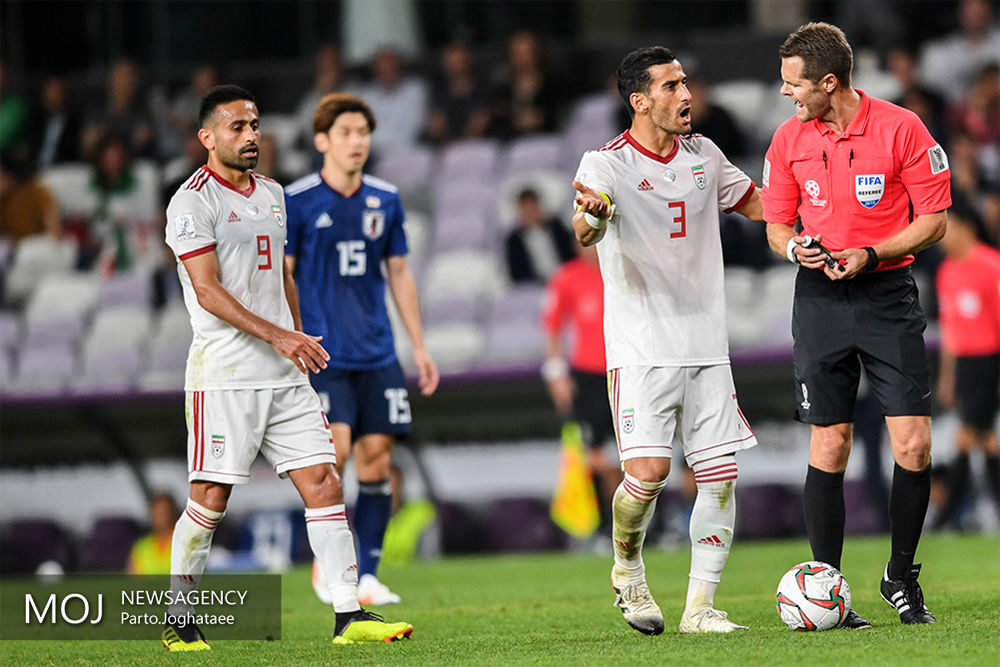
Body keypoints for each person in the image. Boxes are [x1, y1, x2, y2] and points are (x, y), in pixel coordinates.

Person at [161, 84, 413, 650]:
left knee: (324, 481)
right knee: (210, 497)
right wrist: (280, 335)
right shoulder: (191, 202)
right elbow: (207, 291)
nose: (251, 135)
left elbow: (285, 277)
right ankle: (179, 620)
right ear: (207, 138)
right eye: (237, 127)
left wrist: (300, 340)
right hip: (225, 374)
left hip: (283, 373)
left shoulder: (275, 194)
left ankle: (349, 614)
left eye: (255, 124)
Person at [761, 22, 951, 627]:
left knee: (914, 443)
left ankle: (899, 573)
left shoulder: (901, 128)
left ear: (829, 82)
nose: (785, 92)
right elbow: (776, 226)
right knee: (830, 441)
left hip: (886, 295)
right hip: (818, 299)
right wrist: (797, 251)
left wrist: (873, 253)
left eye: (794, 83)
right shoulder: (787, 141)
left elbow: (935, 220)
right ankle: (827, 588)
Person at [572, 46, 763, 635]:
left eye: (687, 83)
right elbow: (583, 225)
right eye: (672, 86)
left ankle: (700, 609)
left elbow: (756, 204)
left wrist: (811, 218)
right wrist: (597, 215)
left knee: (720, 476)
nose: (687, 95)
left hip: (707, 344)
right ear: (640, 100)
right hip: (642, 347)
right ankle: (627, 567)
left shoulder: (704, 153)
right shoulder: (606, 163)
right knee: (649, 473)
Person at [284, 92, 439, 607]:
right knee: (337, 453)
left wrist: (418, 346)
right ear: (322, 140)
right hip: (325, 354)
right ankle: (328, 567)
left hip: (377, 351)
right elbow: (283, 273)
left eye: (364, 132)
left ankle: (366, 574)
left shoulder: (385, 199)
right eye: (347, 132)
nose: (358, 142)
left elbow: (398, 271)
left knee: (377, 458)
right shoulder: (298, 200)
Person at [540, 242, 621, 535]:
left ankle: (633, 529)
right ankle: (603, 529)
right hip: (588, 379)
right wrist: (556, 373)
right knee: (594, 457)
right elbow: (552, 326)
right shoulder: (566, 278)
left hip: (623, 372)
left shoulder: (621, 269)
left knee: (628, 457)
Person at [933, 199, 1000, 530]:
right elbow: (950, 332)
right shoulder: (947, 272)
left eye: (949, 227)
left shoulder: (992, 266)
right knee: (985, 438)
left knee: (966, 437)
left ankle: (946, 517)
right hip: (966, 366)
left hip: (990, 361)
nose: (943, 235)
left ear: (967, 228)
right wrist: (948, 377)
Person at [504, 187, 576, 284]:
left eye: (532, 208)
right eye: (526, 209)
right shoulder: (513, 240)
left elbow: (572, 254)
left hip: (567, 278)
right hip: (534, 287)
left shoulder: (557, 228)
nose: (530, 213)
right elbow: (516, 273)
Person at [128, 492, 179, 574]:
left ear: (174, 512)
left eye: (165, 511)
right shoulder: (141, 547)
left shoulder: (186, 542)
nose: (161, 516)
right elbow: (135, 579)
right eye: (157, 512)